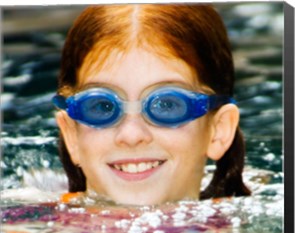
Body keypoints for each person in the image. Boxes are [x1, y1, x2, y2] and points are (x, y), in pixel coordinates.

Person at [53, 4, 251, 206]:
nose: (131, 136)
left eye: (166, 105)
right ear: (72, 135)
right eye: (103, 106)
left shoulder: (252, 229)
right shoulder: (32, 229)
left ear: (219, 130)